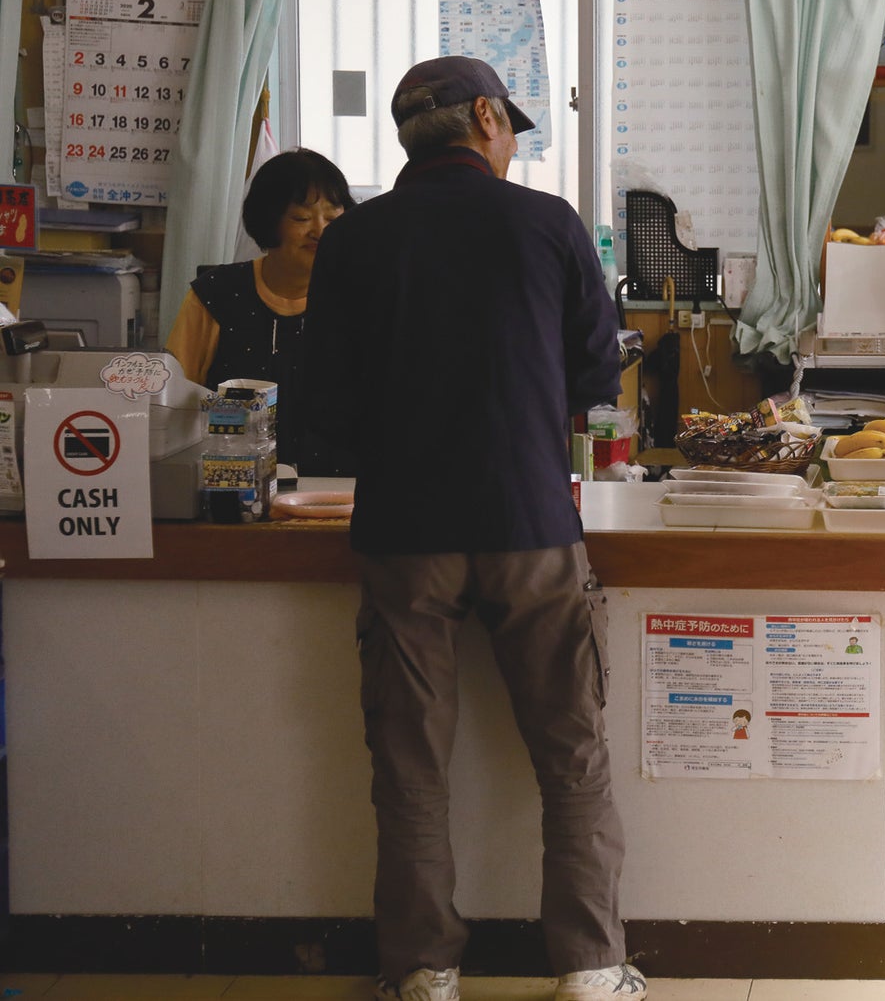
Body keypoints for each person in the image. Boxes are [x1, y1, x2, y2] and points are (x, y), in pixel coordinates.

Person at [305, 56, 644, 1001]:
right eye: (512, 127)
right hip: (531, 522)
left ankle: (423, 969)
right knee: (571, 755)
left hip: (404, 531)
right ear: (487, 118)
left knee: (411, 764)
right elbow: (594, 383)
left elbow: (321, 411)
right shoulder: (546, 223)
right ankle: (590, 963)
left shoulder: (354, 239)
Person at [164, 147, 352, 472]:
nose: (320, 231)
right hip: (234, 488)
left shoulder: (362, 294)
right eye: (301, 218)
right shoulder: (216, 295)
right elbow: (173, 400)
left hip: (341, 490)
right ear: (269, 220)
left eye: (333, 218)